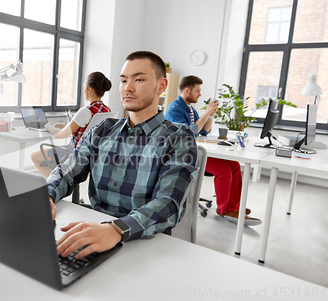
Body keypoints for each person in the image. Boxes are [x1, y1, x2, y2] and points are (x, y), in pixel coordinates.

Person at [47, 51, 198, 260]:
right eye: (124, 80)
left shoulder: (179, 138)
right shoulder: (103, 129)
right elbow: (68, 170)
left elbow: (168, 203)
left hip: (144, 246)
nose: (128, 87)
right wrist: (47, 195)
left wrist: (117, 229)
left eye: (139, 79)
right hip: (95, 232)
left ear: (161, 86)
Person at [165, 75, 261, 226]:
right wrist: (205, 113)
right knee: (223, 170)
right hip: (183, 155)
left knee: (234, 165)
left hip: (193, 151)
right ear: (187, 90)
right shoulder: (175, 109)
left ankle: (233, 207)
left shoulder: (190, 109)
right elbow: (189, 133)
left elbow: (204, 131)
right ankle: (224, 209)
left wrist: (210, 116)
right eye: (198, 91)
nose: (200, 94)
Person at [31, 72, 112, 178]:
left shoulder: (85, 111)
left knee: (34, 156)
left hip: (73, 153)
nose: (83, 91)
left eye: (84, 87)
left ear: (89, 89)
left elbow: (61, 135)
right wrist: (66, 126)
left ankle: (55, 183)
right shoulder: (107, 110)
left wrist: (48, 127)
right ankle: (59, 181)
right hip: (92, 155)